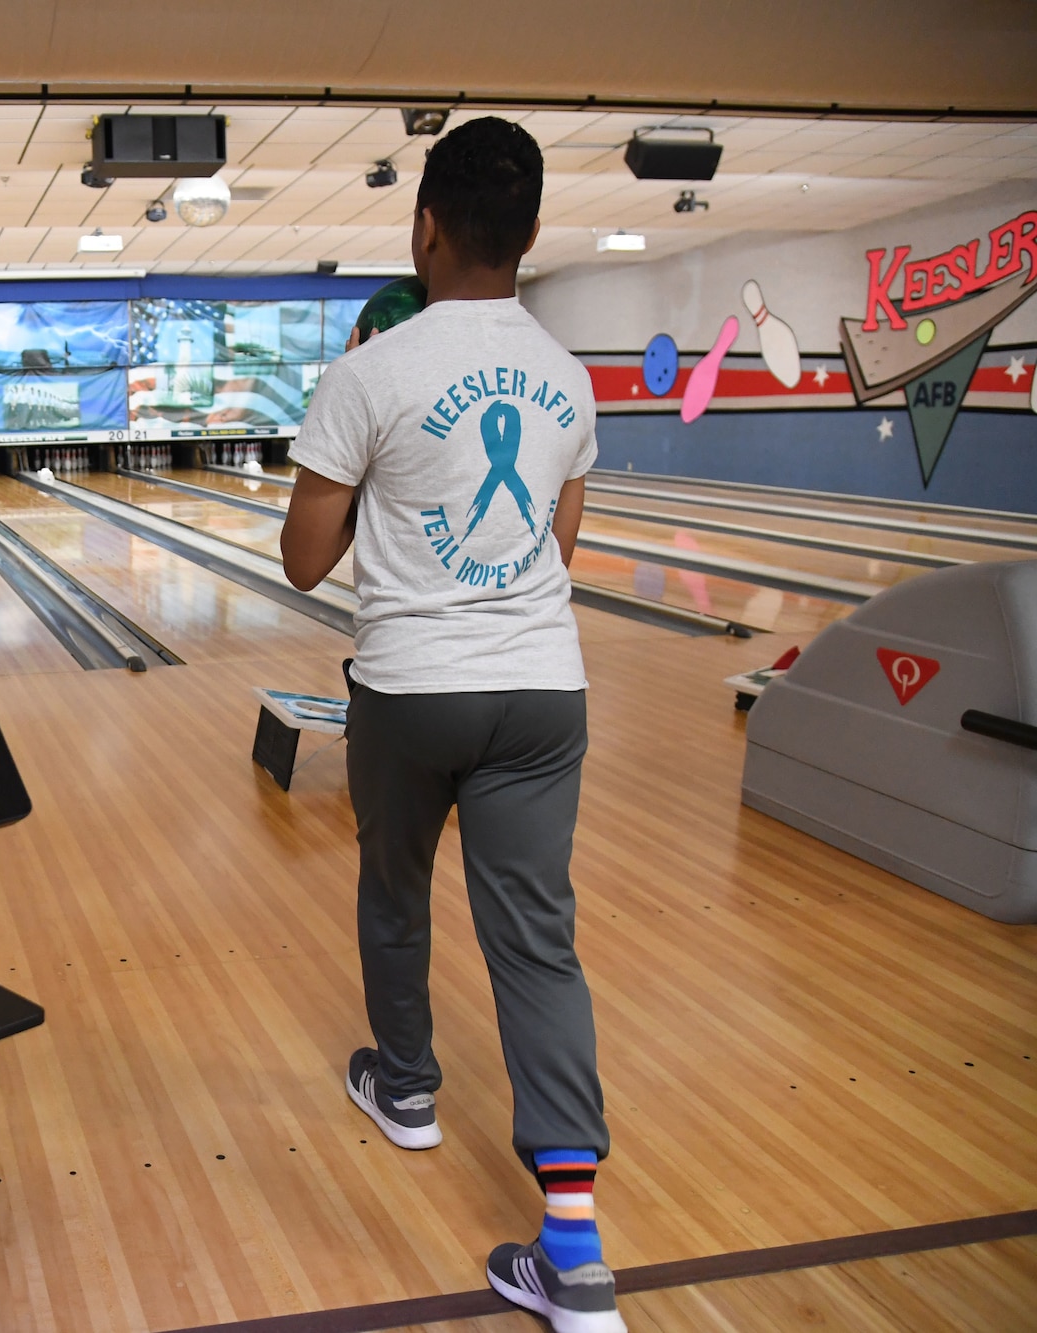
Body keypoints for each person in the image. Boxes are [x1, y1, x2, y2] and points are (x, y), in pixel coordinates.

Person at [278, 116, 621, 1333]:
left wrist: (370, 471)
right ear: (527, 234)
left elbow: (305, 560)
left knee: (393, 890)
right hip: (540, 685)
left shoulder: (369, 370)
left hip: (411, 688)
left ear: (421, 224)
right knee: (537, 940)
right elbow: (557, 550)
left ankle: (407, 1090)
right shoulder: (568, 378)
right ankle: (573, 1252)